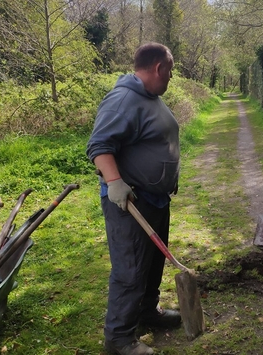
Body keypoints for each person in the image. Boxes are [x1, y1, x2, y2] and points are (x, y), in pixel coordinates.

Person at [86, 42, 181, 355]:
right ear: (158, 68)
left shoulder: (149, 98)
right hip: (130, 203)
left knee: (152, 263)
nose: (170, 77)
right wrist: (114, 183)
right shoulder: (123, 99)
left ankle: (146, 312)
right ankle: (118, 338)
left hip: (155, 199)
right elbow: (99, 146)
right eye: (169, 71)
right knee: (130, 270)